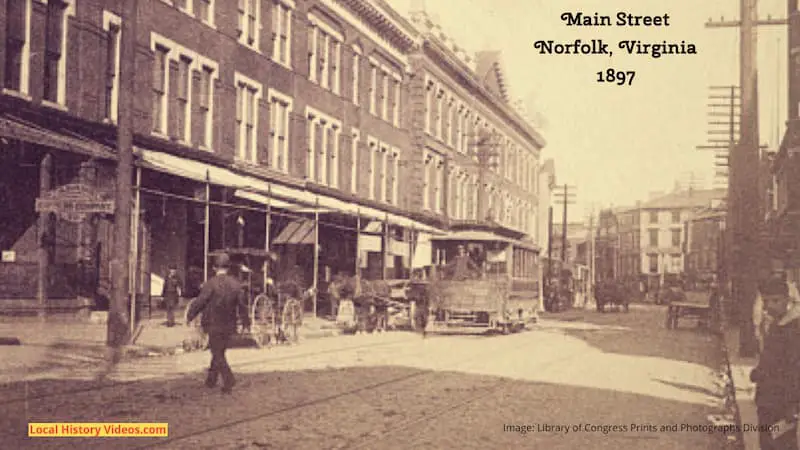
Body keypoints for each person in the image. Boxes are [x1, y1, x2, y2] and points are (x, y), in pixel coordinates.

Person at [186, 253, 251, 394]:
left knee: (216, 352)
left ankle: (229, 379)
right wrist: (246, 322)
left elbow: (200, 302)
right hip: (229, 324)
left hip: (213, 323)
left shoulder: (211, 283)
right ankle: (211, 379)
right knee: (219, 350)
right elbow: (242, 305)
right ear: (228, 268)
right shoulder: (236, 284)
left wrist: (190, 315)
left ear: (215, 267)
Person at [749, 275, 800, 450]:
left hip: (783, 404)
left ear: (787, 299)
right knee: (768, 443)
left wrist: (794, 406)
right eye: (766, 301)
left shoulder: (794, 329)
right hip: (767, 400)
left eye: (776, 301)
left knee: (781, 444)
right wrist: (758, 371)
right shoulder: (777, 324)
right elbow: (771, 359)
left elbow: (795, 370)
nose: (770, 306)